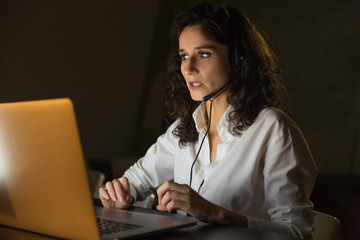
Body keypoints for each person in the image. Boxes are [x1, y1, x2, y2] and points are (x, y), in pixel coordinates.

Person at [99, 2, 317, 239]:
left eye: (203, 54)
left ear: (238, 59)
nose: (188, 68)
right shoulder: (183, 129)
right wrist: (119, 193)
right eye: (184, 56)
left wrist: (217, 214)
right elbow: (135, 180)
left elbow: (297, 233)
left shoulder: (273, 128)